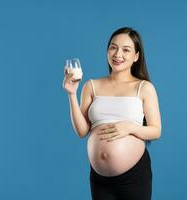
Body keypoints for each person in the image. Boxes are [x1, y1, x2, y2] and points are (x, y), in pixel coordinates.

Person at [62, 27, 162, 200]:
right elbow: (82, 131)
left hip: (134, 177)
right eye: (113, 47)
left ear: (136, 56)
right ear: (107, 51)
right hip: (100, 179)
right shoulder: (91, 85)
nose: (117, 54)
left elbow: (156, 130)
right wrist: (71, 93)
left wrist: (130, 128)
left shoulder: (144, 88)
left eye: (126, 49)